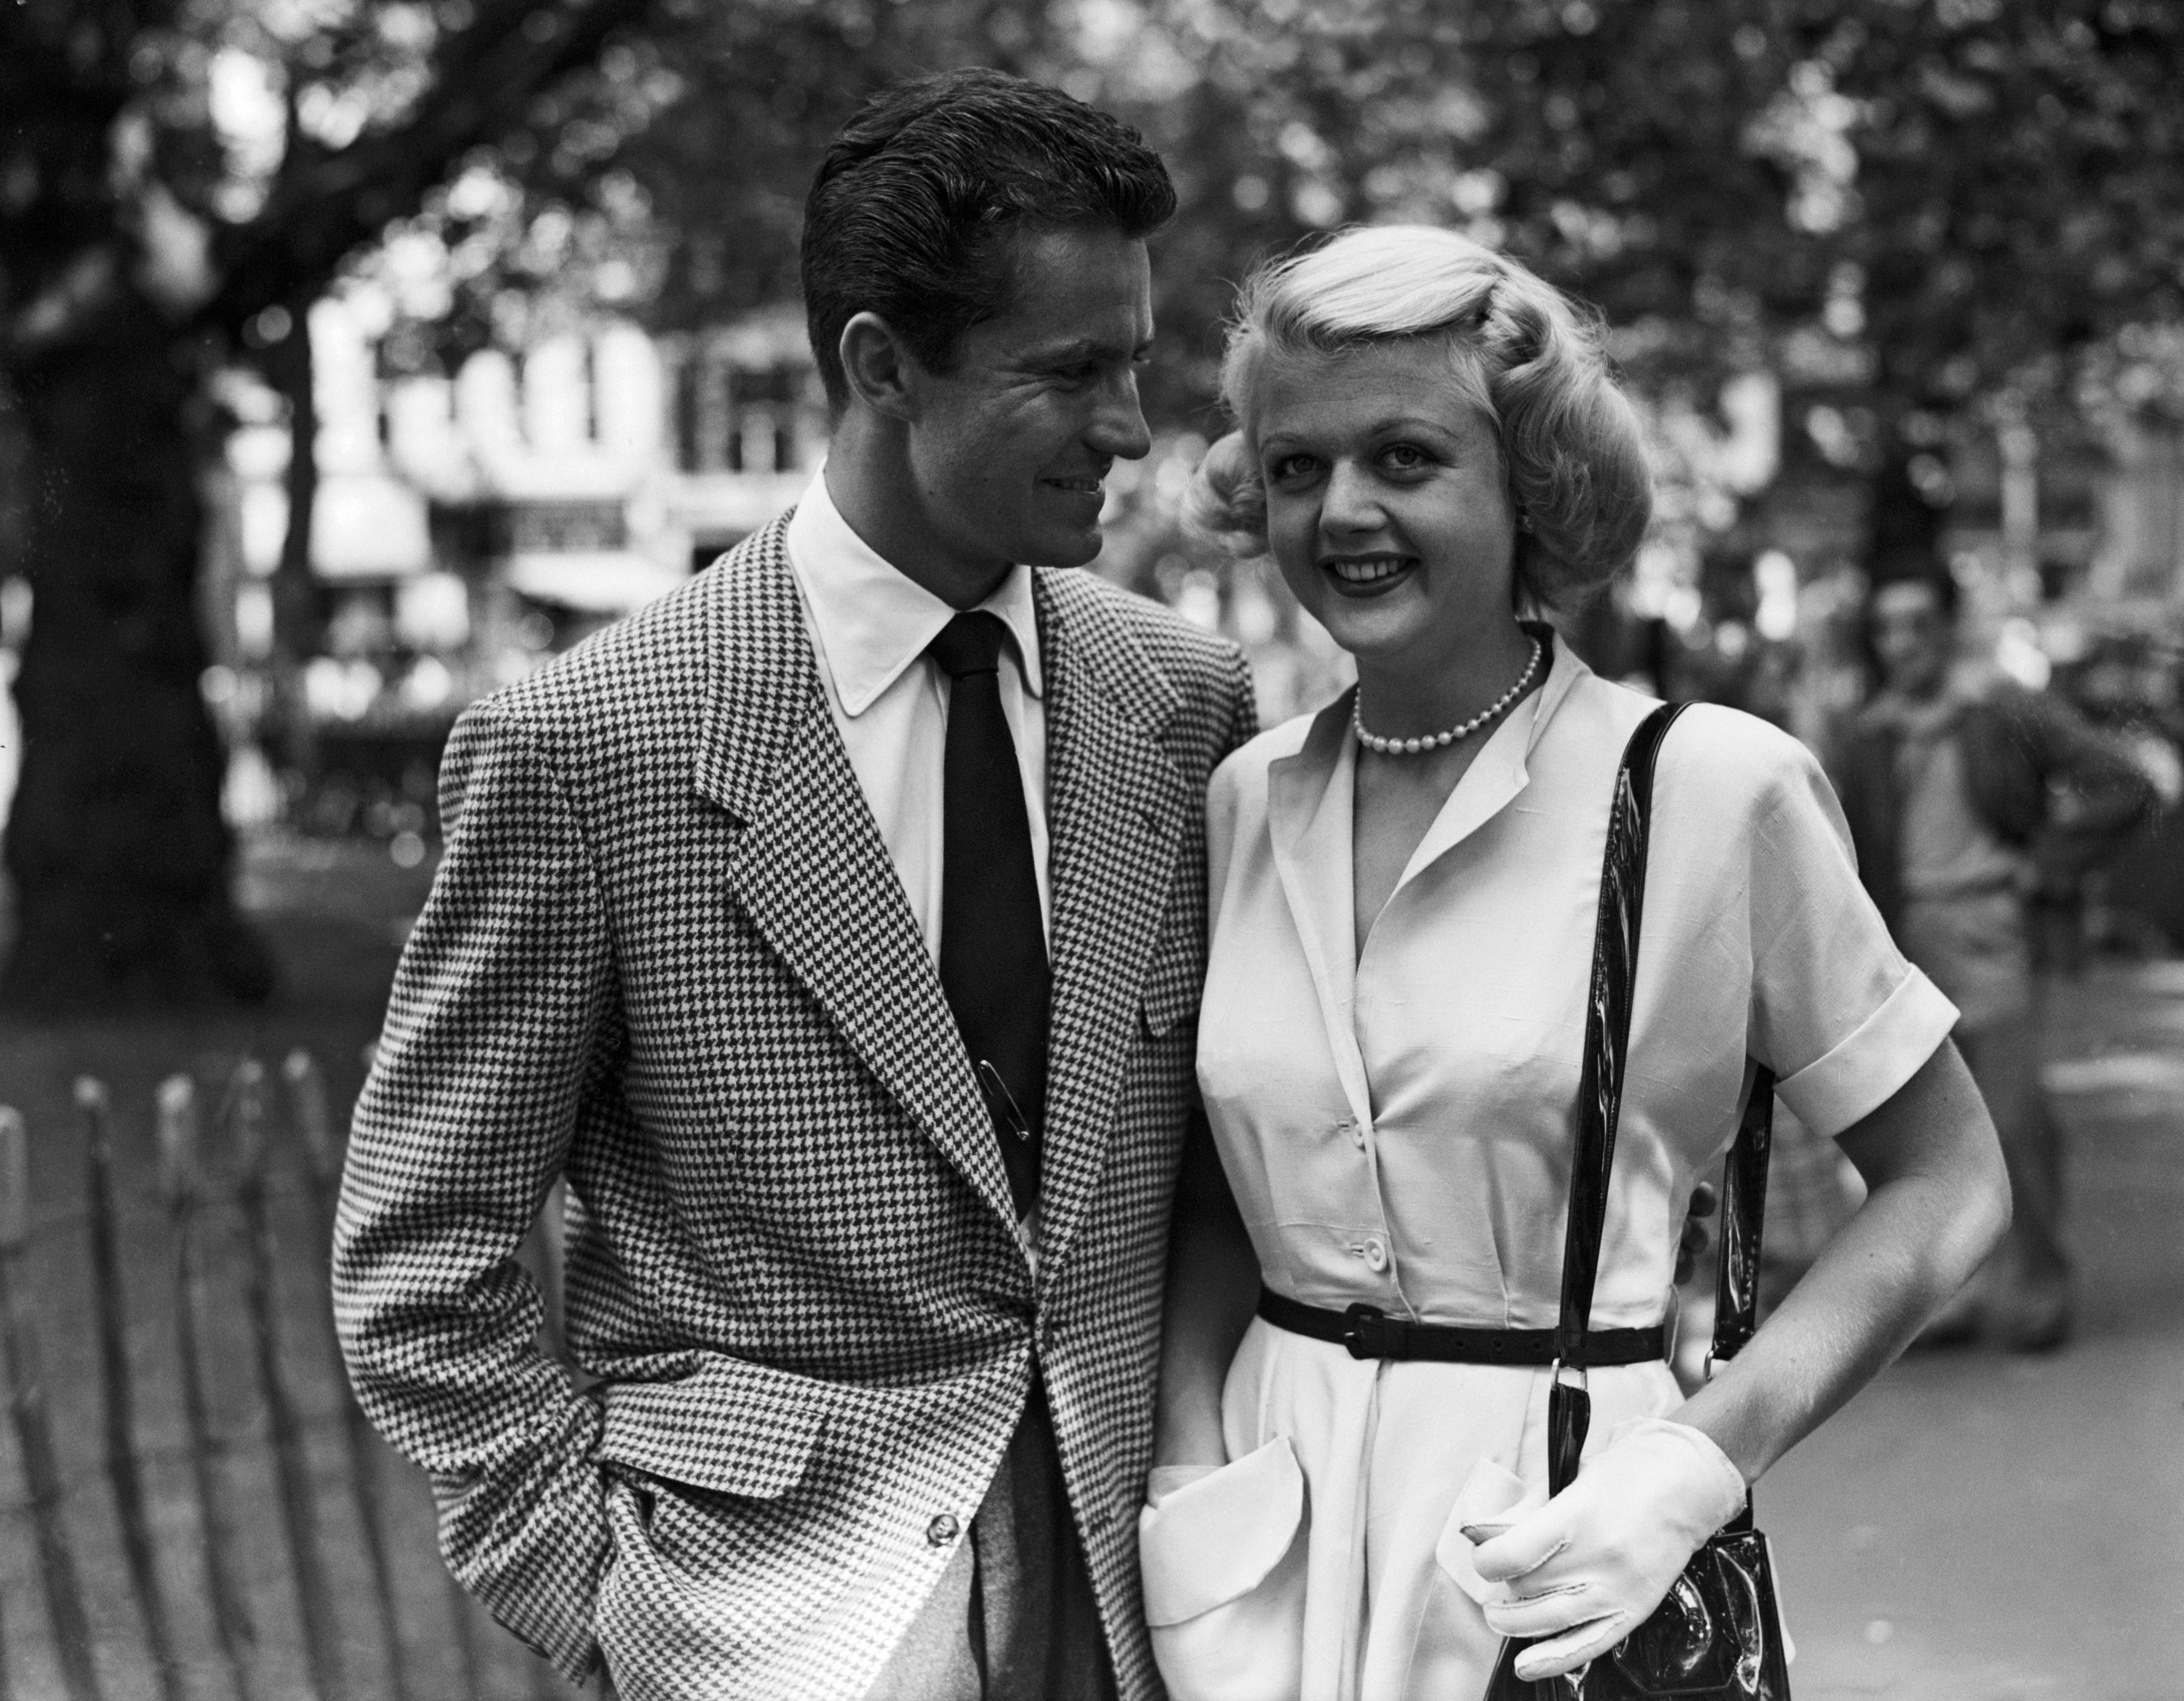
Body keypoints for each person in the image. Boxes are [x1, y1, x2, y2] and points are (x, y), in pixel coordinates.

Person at [332, 70, 1256, 1701]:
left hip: (1132, 1600)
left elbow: (1221, 1167)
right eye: (1066, 373)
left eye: (1133, 363)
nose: (1126, 426)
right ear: (878, 368)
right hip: (773, 1623)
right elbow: (423, 1250)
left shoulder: (1186, 703)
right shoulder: (585, 743)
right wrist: (614, 1605)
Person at [1145, 225, 2012, 1698]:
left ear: (1527, 478)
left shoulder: (1706, 786)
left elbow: (1947, 1179)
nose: (1339, 511)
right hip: (1266, 1554)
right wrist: (1183, 1467)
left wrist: (1691, 1464)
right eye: (1294, 467)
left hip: (1559, 1545)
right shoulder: (1243, 797)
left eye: (1405, 458)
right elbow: (1240, 1185)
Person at [1834, 572, 2153, 1351]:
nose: (1903, 643)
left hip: (1997, 937)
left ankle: (2041, 1283)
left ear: (1947, 629)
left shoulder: (2002, 712)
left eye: (1917, 625)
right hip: (1905, 952)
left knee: (2012, 1118)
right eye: (1887, 629)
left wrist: (2047, 864)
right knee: (1926, 1137)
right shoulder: (1864, 735)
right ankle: (1955, 1295)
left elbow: (2126, 781)